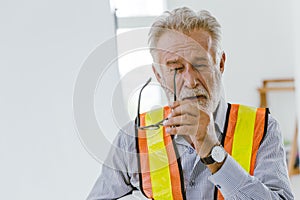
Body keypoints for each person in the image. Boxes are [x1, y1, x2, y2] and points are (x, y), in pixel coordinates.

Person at [87, 7, 294, 199]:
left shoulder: (263, 129)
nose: (191, 80)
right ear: (158, 75)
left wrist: (214, 154)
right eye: (176, 68)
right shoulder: (133, 139)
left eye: (200, 64)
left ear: (220, 63)